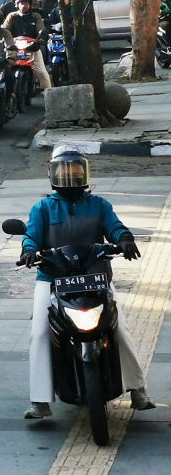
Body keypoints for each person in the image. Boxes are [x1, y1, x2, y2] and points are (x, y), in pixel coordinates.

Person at [21, 146, 154, 419]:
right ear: (53, 174)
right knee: (39, 334)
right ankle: (40, 400)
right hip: (53, 280)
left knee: (121, 331)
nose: (70, 176)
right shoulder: (44, 208)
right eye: (64, 170)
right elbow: (31, 236)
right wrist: (29, 250)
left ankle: (137, 389)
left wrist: (124, 239)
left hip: (96, 278)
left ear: (85, 173)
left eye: (76, 170)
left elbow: (114, 226)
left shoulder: (99, 205)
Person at [4, 0, 51, 90]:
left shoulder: (36, 16)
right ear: (17, 4)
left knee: (42, 72)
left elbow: (41, 30)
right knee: (4, 70)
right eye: (22, 3)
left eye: (26, 3)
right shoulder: (12, 16)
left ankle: (48, 95)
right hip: (14, 48)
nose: (24, 6)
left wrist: (40, 39)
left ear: (30, 5)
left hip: (32, 47)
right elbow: (5, 31)